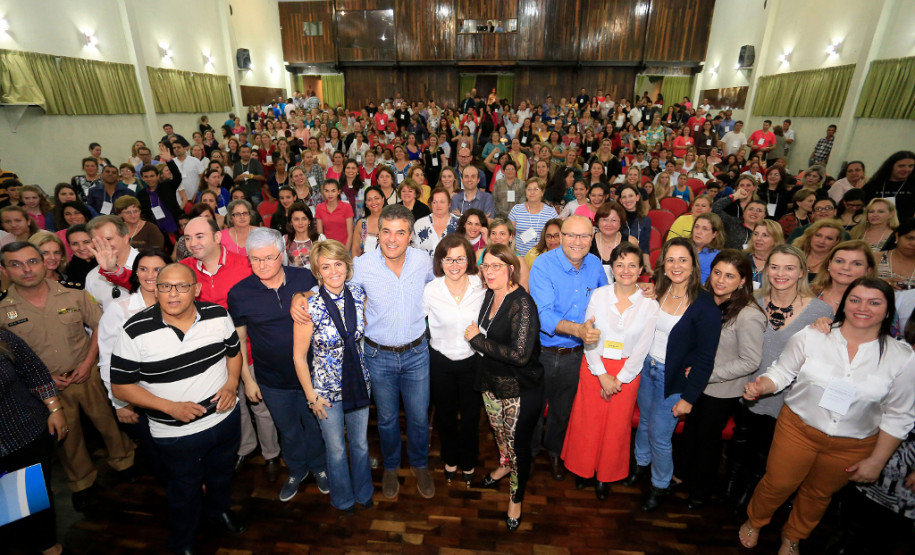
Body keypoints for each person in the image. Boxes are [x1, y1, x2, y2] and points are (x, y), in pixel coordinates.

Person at [739, 277, 915, 554]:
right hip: (797, 429)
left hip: (853, 444)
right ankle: (755, 520)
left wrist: (876, 461)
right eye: (855, 300)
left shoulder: (902, 357)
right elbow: (783, 371)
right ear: (845, 304)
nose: (863, 307)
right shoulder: (813, 335)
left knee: (818, 495)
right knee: (777, 483)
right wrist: (763, 385)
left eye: (874, 302)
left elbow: (899, 415)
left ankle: (793, 536)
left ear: (888, 309)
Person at [293, 204, 436, 500]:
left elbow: (444, 287)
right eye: (386, 231)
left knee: (419, 417)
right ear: (376, 232)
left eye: (400, 232)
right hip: (377, 356)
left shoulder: (424, 261)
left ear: (411, 235)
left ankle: (420, 464)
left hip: (416, 352)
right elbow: (329, 286)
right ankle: (391, 467)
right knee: (385, 419)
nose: (392, 239)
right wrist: (300, 295)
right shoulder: (362, 265)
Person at [110, 263, 246, 554]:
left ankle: (219, 510)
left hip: (224, 419)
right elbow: (121, 387)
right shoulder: (135, 331)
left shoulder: (218, 315)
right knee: (183, 490)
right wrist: (170, 407)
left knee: (222, 475)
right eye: (165, 286)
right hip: (175, 434)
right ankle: (183, 541)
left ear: (196, 289)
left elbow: (234, 353)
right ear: (155, 289)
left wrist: (232, 383)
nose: (173, 294)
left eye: (182, 286)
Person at [0, 241, 135, 511]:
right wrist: (44, 378)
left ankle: (124, 461)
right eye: (16, 264)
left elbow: (99, 325)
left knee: (107, 421)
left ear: (43, 263)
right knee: (66, 436)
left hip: (86, 373)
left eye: (32, 261)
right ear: (4, 270)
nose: (26, 269)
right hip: (43, 388)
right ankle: (82, 482)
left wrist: (88, 362)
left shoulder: (73, 293)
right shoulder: (3, 309)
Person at [722, 245, 834, 512]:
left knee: (768, 452)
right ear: (766, 269)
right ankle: (730, 487)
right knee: (741, 442)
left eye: (789, 267)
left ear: (801, 273)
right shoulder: (751, 302)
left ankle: (750, 494)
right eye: (774, 266)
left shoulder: (820, 311)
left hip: (787, 397)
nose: (780, 273)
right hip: (748, 389)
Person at [228, 228, 328, 501]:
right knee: (288, 428)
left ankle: (320, 467)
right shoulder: (239, 293)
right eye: (255, 259)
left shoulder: (303, 276)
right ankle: (296, 470)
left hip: (310, 374)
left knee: (315, 424)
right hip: (271, 378)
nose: (262, 265)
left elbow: (323, 296)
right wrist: (248, 381)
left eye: (269, 258)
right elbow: (239, 340)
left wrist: (304, 294)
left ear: (282, 255)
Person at [622, 237, 722, 512]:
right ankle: (641, 466)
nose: (676, 265)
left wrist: (689, 398)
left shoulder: (705, 306)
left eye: (683, 260)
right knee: (643, 425)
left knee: (659, 435)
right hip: (647, 369)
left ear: (693, 265)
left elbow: (705, 358)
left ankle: (661, 484)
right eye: (671, 259)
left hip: (674, 379)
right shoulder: (658, 290)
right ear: (663, 265)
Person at [562, 242, 659, 499]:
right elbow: (589, 335)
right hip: (595, 365)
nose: (625, 270)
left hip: (627, 372)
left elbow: (642, 347)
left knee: (616, 426)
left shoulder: (650, 305)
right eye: (619, 264)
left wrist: (621, 378)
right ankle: (582, 470)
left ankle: (605, 476)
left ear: (640, 270)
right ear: (612, 268)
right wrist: (601, 373)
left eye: (631, 265)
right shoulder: (599, 295)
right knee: (588, 421)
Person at [465, 243, 543, 531]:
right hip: (491, 382)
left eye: (497, 266)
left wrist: (476, 340)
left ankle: (516, 497)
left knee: (518, 445)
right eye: (486, 266)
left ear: (511, 268)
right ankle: (505, 465)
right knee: (499, 435)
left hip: (519, 389)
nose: (489, 271)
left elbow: (520, 355)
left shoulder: (522, 303)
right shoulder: (488, 295)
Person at [679, 250, 765, 509]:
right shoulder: (705, 300)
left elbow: (750, 361)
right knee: (691, 434)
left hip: (721, 390)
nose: (720, 280)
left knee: (707, 441)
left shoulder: (749, 314)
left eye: (729, 276)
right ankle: (686, 478)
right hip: (696, 383)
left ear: (742, 281)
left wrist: (707, 374)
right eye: (717, 272)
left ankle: (701, 492)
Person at [528, 215, 609, 481]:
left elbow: (607, 302)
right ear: (560, 236)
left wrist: (638, 293)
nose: (577, 241)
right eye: (571, 235)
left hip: (576, 355)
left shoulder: (596, 265)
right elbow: (543, 314)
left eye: (584, 236)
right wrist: (578, 330)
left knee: (562, 410)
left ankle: (553, 452)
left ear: (592, 238)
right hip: (542, 352)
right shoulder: (543, 265)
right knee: (535, 408)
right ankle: (528, 454)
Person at [423, 235, 486, 486]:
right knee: (446, 416)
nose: (454, 264)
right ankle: (450, 458)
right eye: (448, 259)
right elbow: (416, 321)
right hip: (441, 362)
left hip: (473, 360)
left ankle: (469, 461)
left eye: (460, 258)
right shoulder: (431, 290)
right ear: (440, 261)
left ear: (469, 259)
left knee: (471, 417)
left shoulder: (480, 285)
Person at [509, 178, 559, 256]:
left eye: (536, 189)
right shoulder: (516, 210)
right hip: (520, 257)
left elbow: (557, 235)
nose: (532, 192)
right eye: (529, 189)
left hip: (543, 257)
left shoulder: (551, 212)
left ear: (542, 192)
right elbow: (508, 232)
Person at [862, 151, 915, 220]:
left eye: (911, 166)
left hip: (904, 228)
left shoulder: (912, 186)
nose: (906, 169)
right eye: (901, 166)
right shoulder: (873, 185)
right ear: (891, 166)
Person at [412, 187, 460, 257]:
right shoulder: (419, 224)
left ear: (449, 204)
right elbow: (414, 250)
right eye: (435, 202)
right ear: (431, 204)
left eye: (442, 202)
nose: (438, 205)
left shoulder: (460, 223)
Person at [315, 180, 354, 246]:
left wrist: (345, 252)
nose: (330, 194)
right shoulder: (319, 208)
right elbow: (320, 234)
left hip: (344, 248)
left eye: (333, 191)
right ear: (323, 192)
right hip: (328, 248)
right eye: (327, 191)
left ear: (338, 192)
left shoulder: (347, 207)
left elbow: (350, 234)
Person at [284, 202, 324, 266]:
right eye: (296, 219)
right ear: (291, 222)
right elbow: (284, 267)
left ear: (309, 221)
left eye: (304, 219)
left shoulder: (320, 238)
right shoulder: (285, 240)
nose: (300, 223)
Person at [691, 212, 726, 282]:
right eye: (696, 227)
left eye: (705, 229)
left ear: (714, 234)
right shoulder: (684, 248)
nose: (698, 232)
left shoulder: (717, 257)